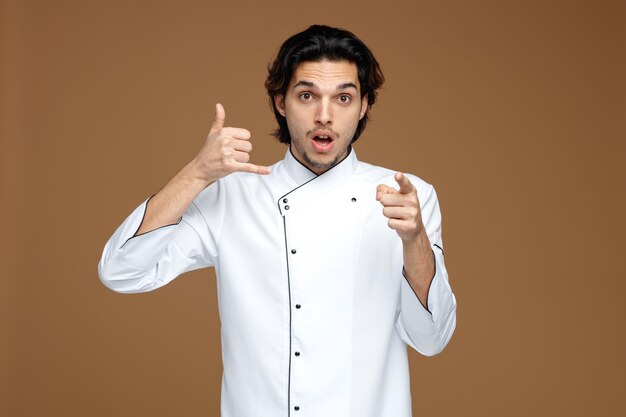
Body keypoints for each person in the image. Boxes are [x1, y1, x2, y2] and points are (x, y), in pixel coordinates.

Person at [98, 24, 457, 417]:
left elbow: (432, 339)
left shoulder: (408, 198)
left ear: (364, 105)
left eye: (343, 98)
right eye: (307, 96)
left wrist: (414, 240)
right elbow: (121, 271)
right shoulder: (234, 195)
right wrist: (197, 173)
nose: (324, 116)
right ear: (281, 102)